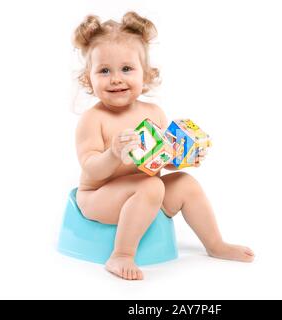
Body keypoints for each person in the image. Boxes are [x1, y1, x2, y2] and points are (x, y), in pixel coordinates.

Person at [73, 12, 254, 280]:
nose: (116, 79)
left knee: (185, 183)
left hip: (146, 194)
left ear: (145, 74)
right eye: (104, 71)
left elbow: (160, 160)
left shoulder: (153, 112)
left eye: (126, 69)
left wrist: (181, 156)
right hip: (100, 197)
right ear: (89, 79)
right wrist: (113, 154)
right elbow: (91, 170)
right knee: (151, 185)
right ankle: (121, 254)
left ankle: (215, 245)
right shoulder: (93, 119)